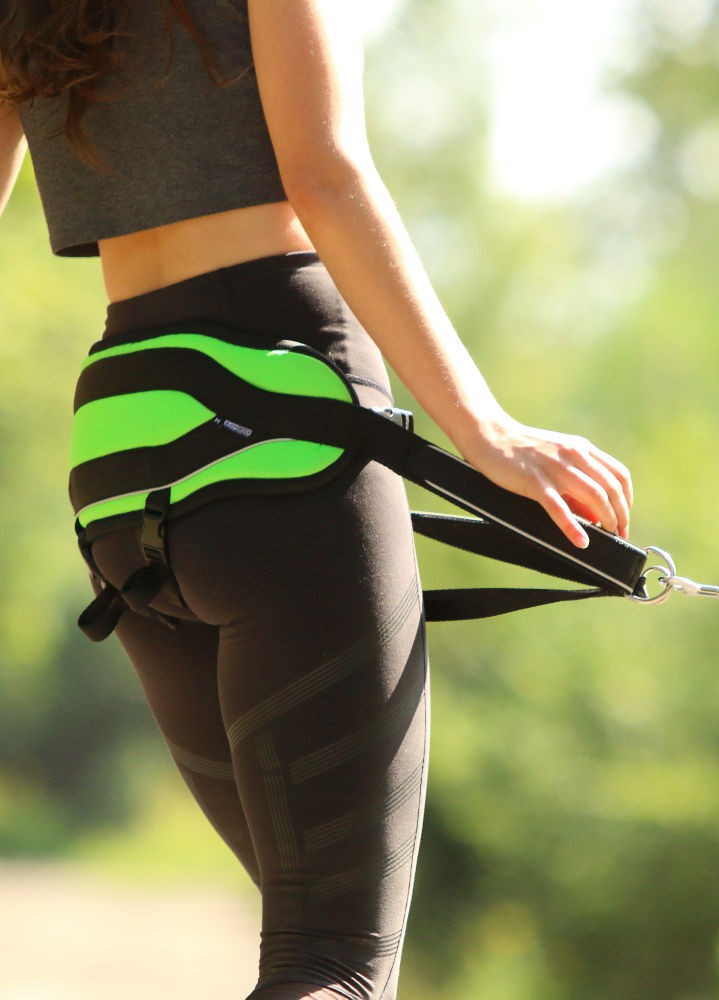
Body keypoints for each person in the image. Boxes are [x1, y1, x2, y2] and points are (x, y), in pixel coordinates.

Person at [3, 2, 631, 995]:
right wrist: (485, 429)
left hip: (121, 438)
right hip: (282, 411)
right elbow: (326, 175)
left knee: (315, 941)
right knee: (332, 964)